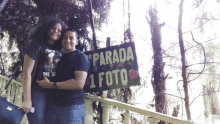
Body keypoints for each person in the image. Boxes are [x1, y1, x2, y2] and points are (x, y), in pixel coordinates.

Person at [37, 27, 90, 124]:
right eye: (65, 38)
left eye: (71, 38)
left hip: (71, 108)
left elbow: (78, 84)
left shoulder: (80, 57)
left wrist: (51, 85)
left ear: (76, 41)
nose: (68, 40)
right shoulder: (57, 56)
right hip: (53, 106)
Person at [22, 19, 67, 124]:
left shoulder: (61, 49)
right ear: (47, 28)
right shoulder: (36, 44)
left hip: (54, 92)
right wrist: (27, 99)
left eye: (59, 30)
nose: (56, 31)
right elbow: (26, 72)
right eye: (53, 28)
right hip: (37, 91)